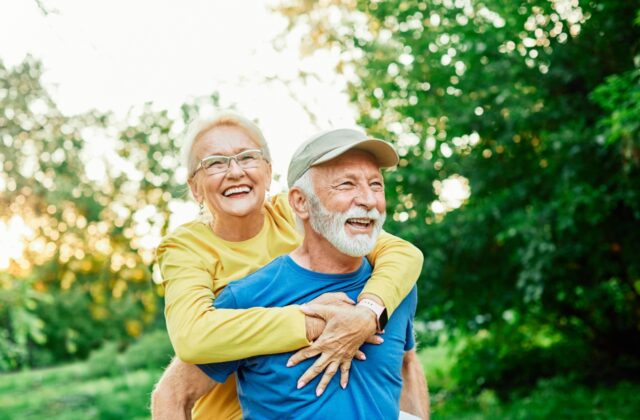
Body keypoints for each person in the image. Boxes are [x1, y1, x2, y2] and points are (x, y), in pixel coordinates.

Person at [151, 113, 426, 419]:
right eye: (215, 163)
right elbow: (192, 340)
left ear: (269, 172)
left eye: (248, 157)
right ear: (194, 187)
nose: (235, 171)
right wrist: (313, 322)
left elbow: (404, 254)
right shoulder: (188, 250)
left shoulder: (296, 211)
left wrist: (367, 313)